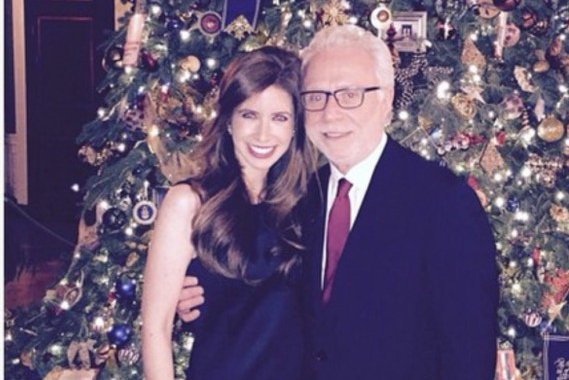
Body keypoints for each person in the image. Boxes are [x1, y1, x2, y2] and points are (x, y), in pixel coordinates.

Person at [178, 25, 499, 380]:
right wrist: (200, 292)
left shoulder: (443, 203)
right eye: (316, 96)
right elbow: (268, 297)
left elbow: (469, 357)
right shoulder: (298, 198)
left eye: (350, 94)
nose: (331, 114)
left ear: (386, 98)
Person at [141, 46, 315, 380]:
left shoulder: (308, 204)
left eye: (279, 118)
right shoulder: (189, 203)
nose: (263, 134)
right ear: (230, 121)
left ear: (295, 126)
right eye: (249, 114)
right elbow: (155, 328)